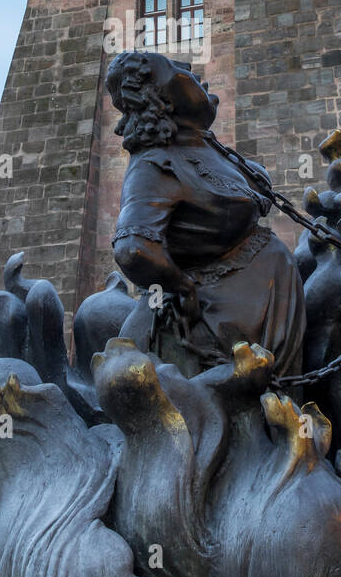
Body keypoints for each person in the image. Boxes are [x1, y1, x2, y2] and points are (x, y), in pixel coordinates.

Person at [106, 51, 306, 379]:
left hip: (264, 301)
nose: (191, 71)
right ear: (162, 99)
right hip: (218, 321)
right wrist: (182, 288)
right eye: (178, 71)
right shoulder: (155, 165)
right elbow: (132, 247)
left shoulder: (206, 149)